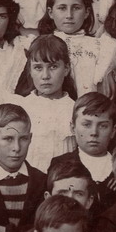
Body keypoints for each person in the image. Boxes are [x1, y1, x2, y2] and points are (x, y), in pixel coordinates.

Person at [16, 34, 77, 173]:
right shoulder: (22, 108)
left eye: (53, 67)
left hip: (64, 179)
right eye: (38, 68)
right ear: (30, 70)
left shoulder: (74, 108)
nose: (45, 76)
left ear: (66, 68)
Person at [0, 103, 45, 232]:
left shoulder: (41, 181)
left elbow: (43, 230)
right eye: (8, 139)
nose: (16, 147)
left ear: (30, 138)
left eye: (23, 138)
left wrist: (1, 230)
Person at [46, 92, 116, 209]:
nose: (94, 132)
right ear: (73, 128)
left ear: (113, 131)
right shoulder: (59, 164)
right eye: (87, 124)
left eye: (103, 126)